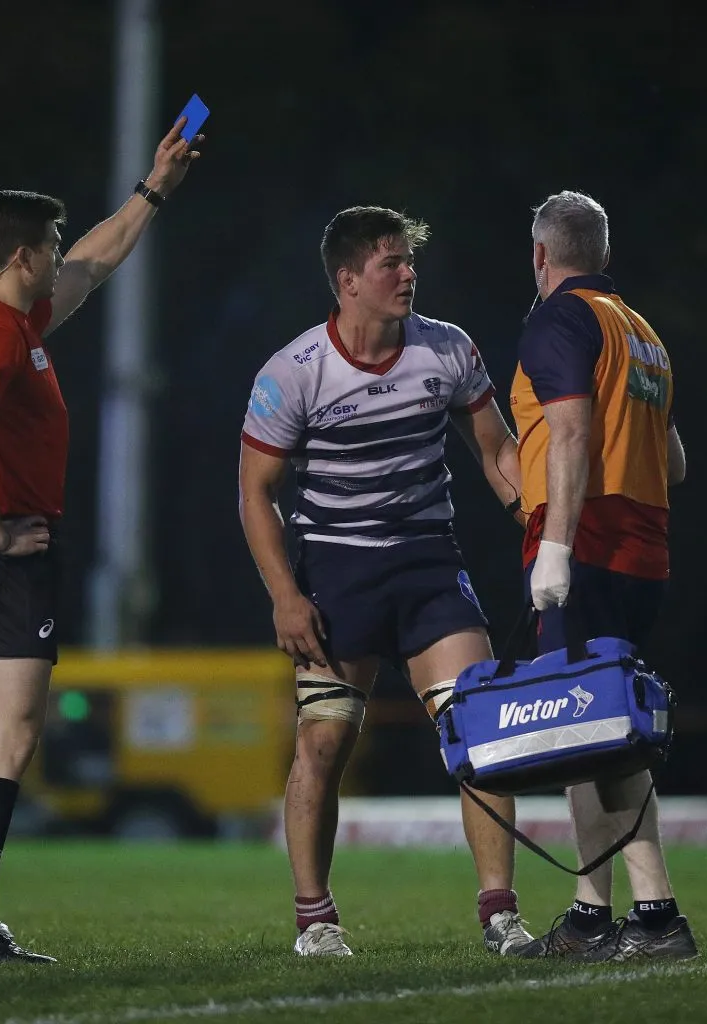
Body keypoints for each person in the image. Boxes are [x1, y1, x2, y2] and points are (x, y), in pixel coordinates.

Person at [0, 119, 203, 966]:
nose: (57, 256)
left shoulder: (16, 323)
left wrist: (153, 190)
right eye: (46, 246)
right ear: (19, 258)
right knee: (10, 736)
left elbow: (96, 260)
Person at [238, 205, 533, 957]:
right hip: (336, 572)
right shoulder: (293, 372)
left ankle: (500, 913)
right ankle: (316, 920)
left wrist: (534, 516)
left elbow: (493, 447)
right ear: (346, 282)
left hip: (428, 565)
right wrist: (285, 595)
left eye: (409, 262)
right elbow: (256, 492)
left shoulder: (447, 348)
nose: (408, 274)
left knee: (482, 733)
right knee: (324, 741)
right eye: (389, 264)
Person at [509, 190, 697, 962]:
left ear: (540, 257)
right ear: (605, 255)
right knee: (590, 731)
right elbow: (676, 462)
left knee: (597, 734)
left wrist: (553, 545)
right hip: (641, 547)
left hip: (582, 544)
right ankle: (594, 915)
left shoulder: (558, 317)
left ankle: (654, 916)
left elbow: (573, 432)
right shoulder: (643, 333)